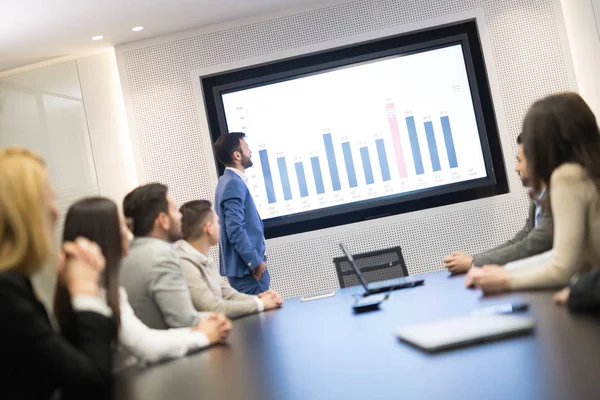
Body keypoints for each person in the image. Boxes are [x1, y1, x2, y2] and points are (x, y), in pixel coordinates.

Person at [54, 197, 230, 370]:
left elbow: (145, 336)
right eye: (122, 225)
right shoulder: (95, 292)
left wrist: (198, 331)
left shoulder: (105, 288)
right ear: (106, 235)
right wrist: (203, 336)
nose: (127, 232)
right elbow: (145, 346)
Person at [0, 147, 113, 400]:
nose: (55, 211)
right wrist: (85, 292)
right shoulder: (5, 292)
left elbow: (66, 369)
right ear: (22, 213)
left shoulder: (16, 283)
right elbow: (92, 385)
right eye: (47, 200)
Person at [466, 92, 600, 293]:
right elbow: (575, 258)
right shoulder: (589, 171)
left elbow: (562, 268)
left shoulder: (568, 177)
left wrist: (505, 279)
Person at [120, 183, 231, 330]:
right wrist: (219, 319)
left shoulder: (128, 254)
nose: (180, 216)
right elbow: (185, 321)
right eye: (174, 210)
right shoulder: (162, 255)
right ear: (163, 220)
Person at [443, 134, 553, 274]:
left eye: (519, 161)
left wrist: (473, 263)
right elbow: (520, 240)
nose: (516, 168)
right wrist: (473, 259)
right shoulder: (538, 197)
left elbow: (531, 246)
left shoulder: (555, 197)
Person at [177, 200, 283, 318]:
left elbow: (230, 295)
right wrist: (261, 303)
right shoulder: (184, 263)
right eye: (217, 222)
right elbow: (214, 308)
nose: (221, 227)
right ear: (209, 228)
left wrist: (262, 298)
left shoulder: (204, 260)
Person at [214, 132, 270, 294]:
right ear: (237, 155)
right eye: (246, 147)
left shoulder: (226, 180)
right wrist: (255, 262)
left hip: (245, 272)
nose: (250, 150)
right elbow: (235, 229)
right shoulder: (233, 183)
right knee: (261, 319)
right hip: (249, 272)